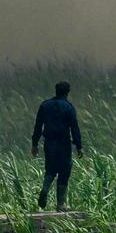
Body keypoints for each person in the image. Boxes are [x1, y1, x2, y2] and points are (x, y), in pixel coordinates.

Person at [32, 80, 83, 211]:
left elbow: (38, 126)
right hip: (64, 144)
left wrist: (34, 144)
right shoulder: (69, 107)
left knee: (50, 170)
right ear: (67, 92)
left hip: (49, 143)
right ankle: (61, 204)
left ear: (56, 91)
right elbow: (74, 128)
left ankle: (45, 189)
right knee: (64, 171)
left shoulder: (44, 106)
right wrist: (79, 146)